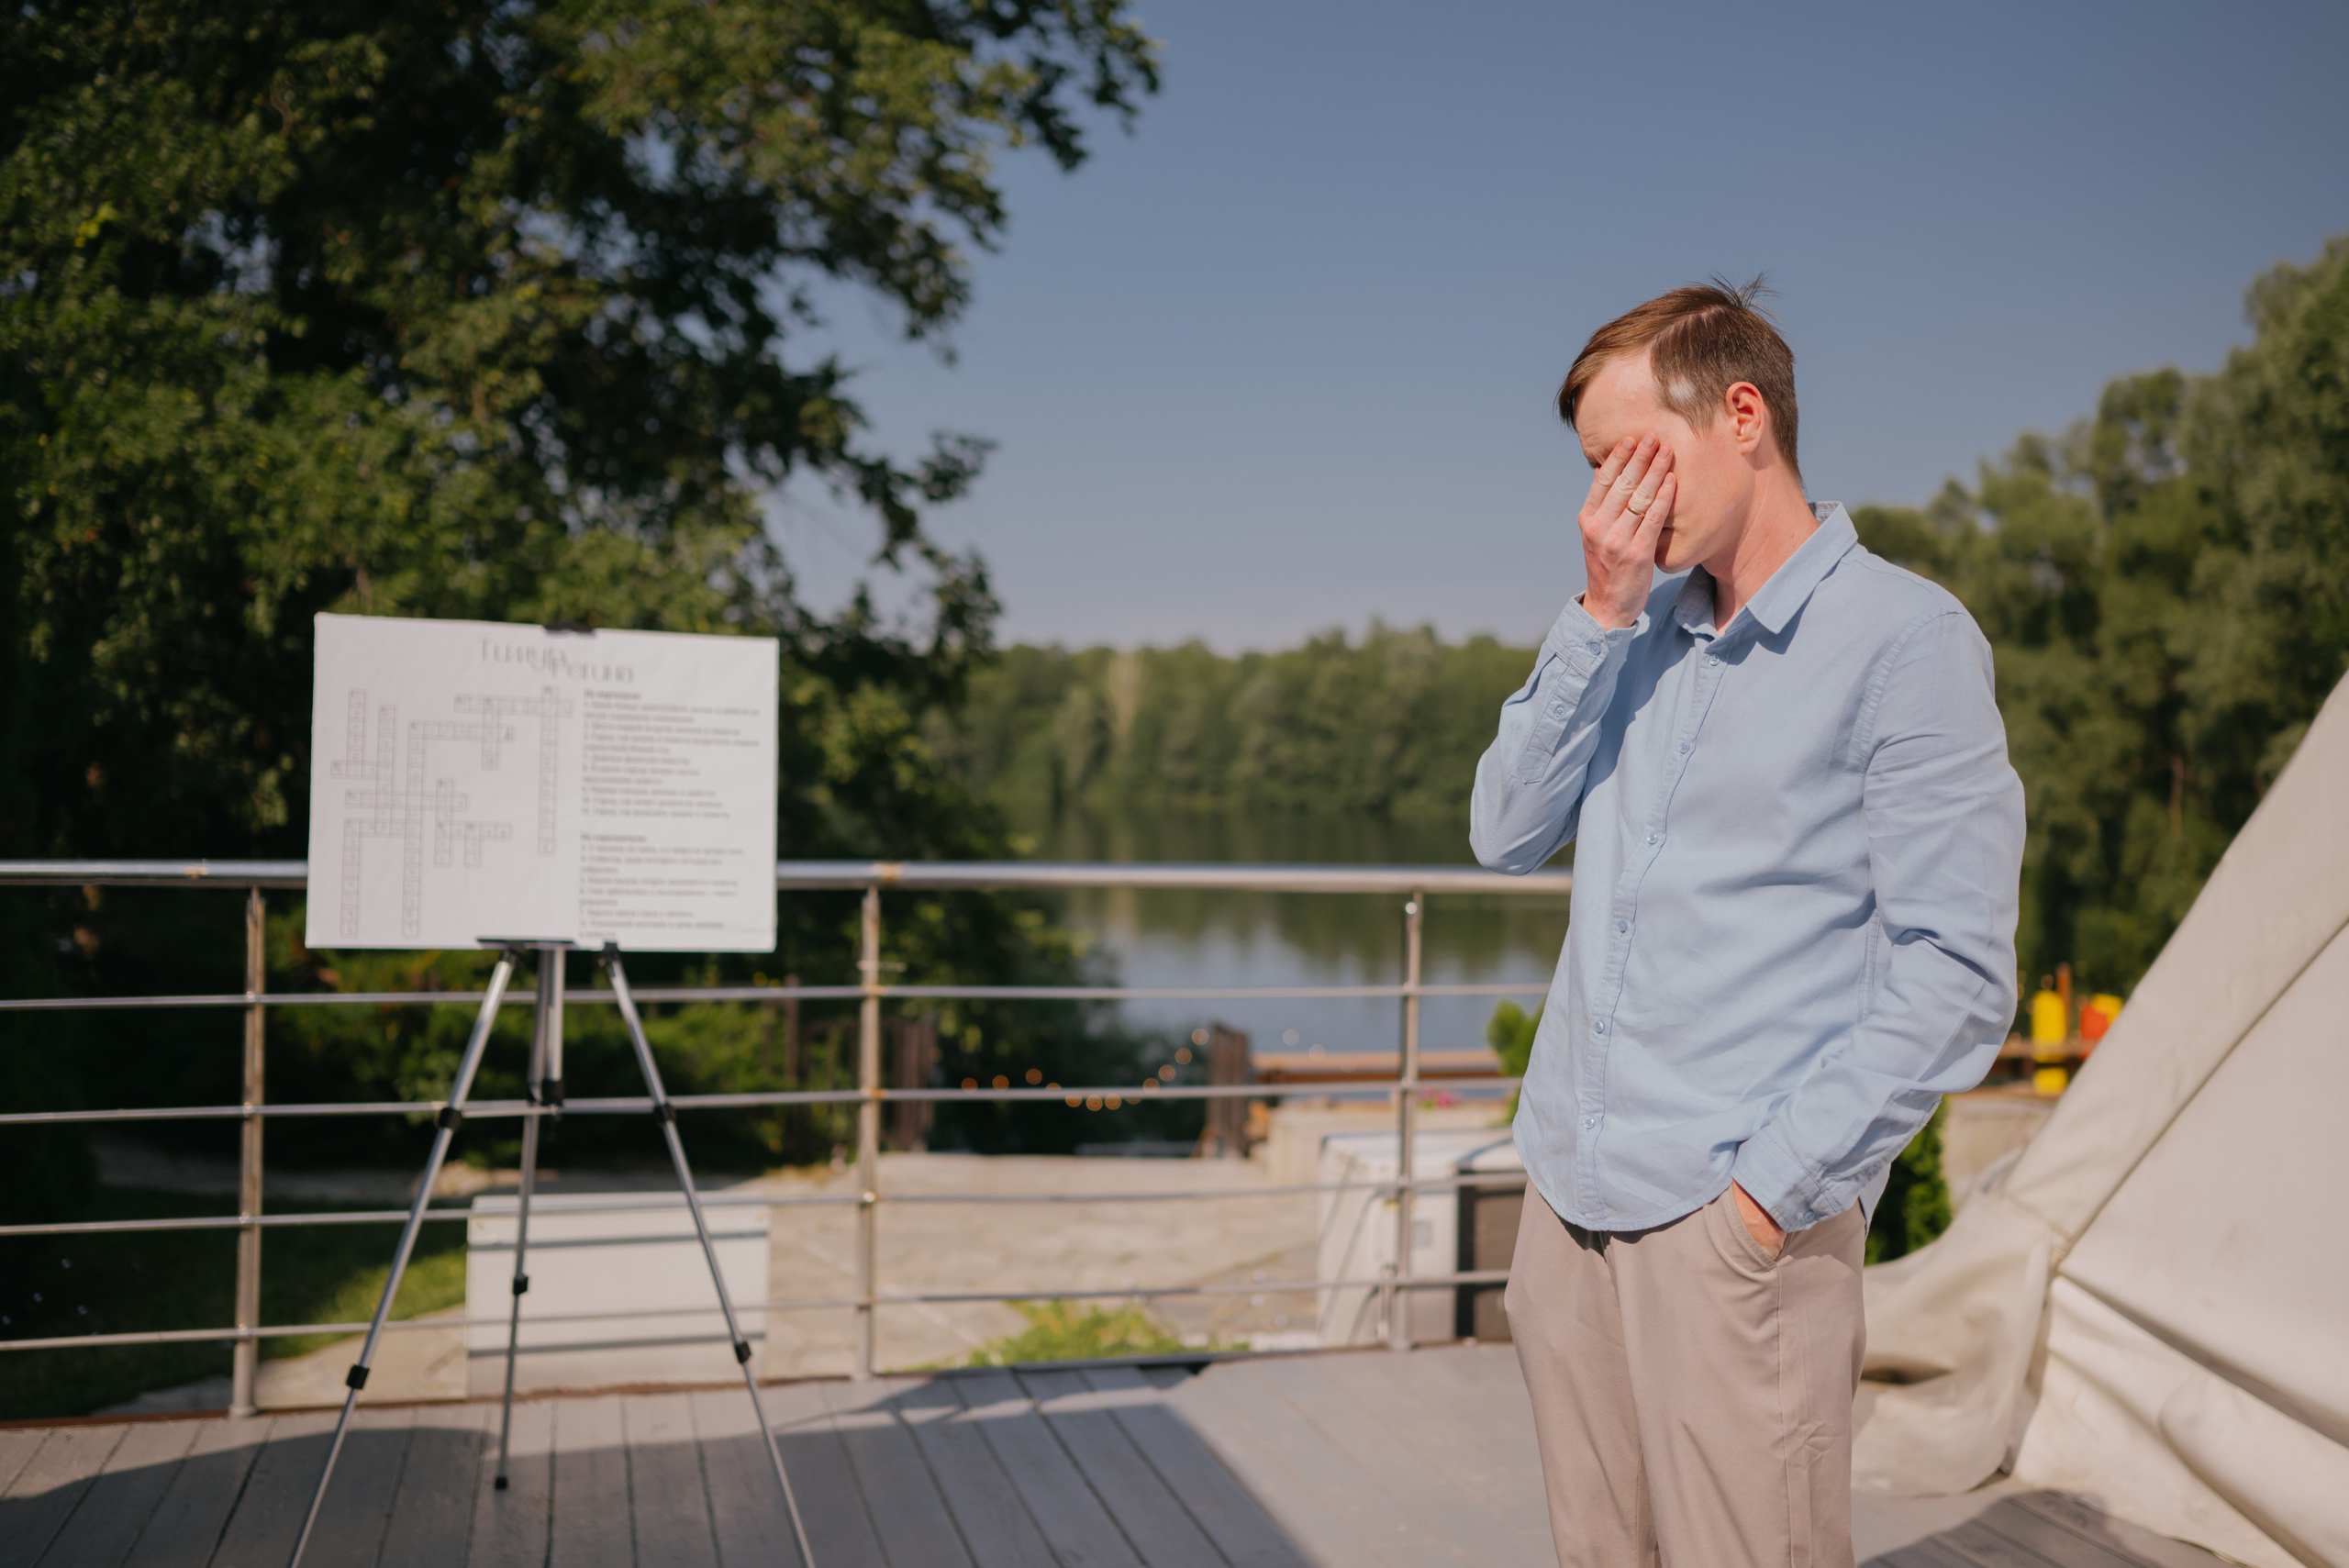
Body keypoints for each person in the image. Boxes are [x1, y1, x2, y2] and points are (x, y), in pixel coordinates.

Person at [1471, 280, 2025, 1568]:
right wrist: (1599, 615)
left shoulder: (1908, 641)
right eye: (1593, 469)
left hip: (1735, 1235)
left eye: (1627, 458)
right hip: (1568, 1212)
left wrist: (1764, 1202)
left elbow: (1953, 972)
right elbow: (1503, 830)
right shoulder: (1633, 635)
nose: (1606, 499)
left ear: (1742, 417)